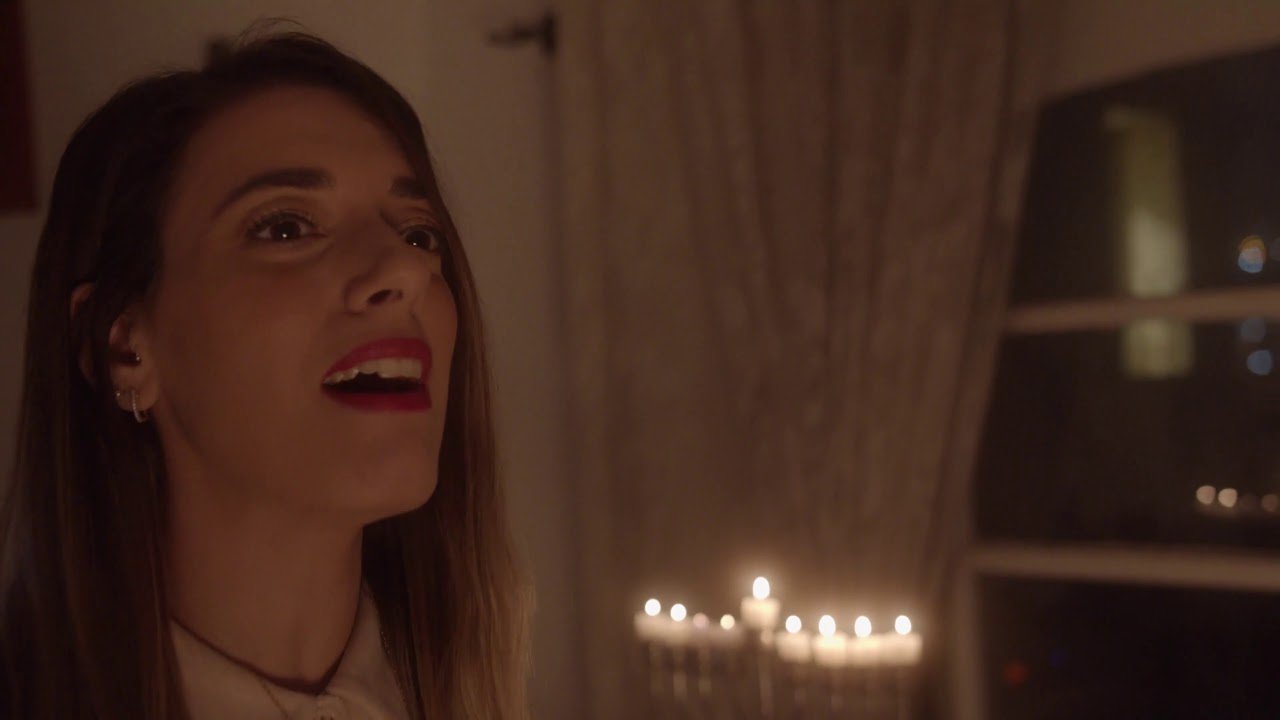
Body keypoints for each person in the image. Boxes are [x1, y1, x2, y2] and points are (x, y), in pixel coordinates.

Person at [0, 28, 530, 720]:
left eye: (418, 234)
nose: (405, 268)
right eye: (285, 228)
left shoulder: (482, 689)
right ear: (124, 348)